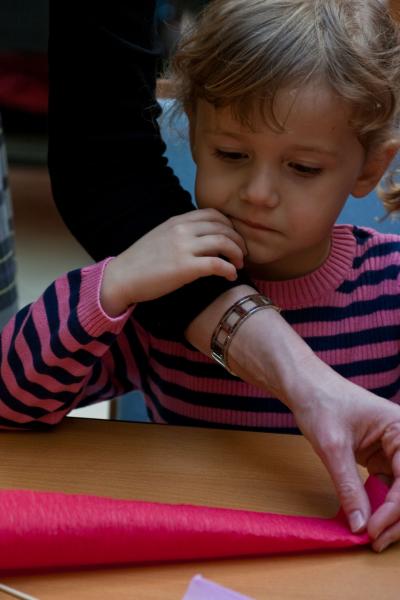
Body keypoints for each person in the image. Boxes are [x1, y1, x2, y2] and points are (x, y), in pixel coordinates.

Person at [43, 0, 400, 552]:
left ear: (371, 168)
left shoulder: (392, 287)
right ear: (192, 134)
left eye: (303, 168)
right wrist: (112, 286)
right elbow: (11, 404)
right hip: (189, 559)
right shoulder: (163, 284)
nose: (258, 193)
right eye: (231, 154)